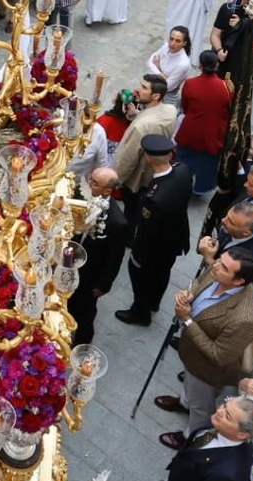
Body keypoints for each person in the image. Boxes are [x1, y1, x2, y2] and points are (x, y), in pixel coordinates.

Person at [155, 250, 253, 449]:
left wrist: (187, 320)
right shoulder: (218, 270)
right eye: (219, 260)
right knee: (188, 386)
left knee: (201, 407)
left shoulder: (244, 318)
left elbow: (218, 355)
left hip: (207, 371)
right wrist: (188, 294)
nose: (215, 265)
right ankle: (183, 402)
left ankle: (190, 436)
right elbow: (200, 281)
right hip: (191, 353)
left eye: (223, 267)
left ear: (238, 281)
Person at [115, 134, 195, 325]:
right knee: (162, 274)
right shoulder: (182, 170)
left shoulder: (154, 199)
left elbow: (146, 234)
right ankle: (154, 303)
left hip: (153, 250)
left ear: (148, 158)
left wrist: (138, 256)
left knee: (140, 278)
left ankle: (140, 313)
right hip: (175, 239)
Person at [69, 166, 129, 346]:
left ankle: (82, 341)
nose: (89, 183)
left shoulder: (117, 222)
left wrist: (103, 285)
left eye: (95, 183)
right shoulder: (82, 194)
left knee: (85, 311)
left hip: (90, 273)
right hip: (71, 259)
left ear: (107, 191)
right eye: (91, 178)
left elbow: (115, 258)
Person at [164, 397, 253, 481]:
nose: (219, 411)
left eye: (227, 416)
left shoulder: (225, 477)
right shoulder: (222, 428)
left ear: (242, 434)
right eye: (225, 405)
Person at [177, 48, 233, 196]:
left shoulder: (190, 83)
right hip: (213, 132)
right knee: (207, 162)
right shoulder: (226, 87)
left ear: (201, 66)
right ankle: (201, 188)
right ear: (217, 65)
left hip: (191, 128)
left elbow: (185, 106)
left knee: (184, 157)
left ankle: (180, 182)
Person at [112, 75, 180, 194]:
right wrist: (136, 114)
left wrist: (116, 182)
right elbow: (154, 121)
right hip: (153, 174)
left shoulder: (140, 127)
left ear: (156, 96)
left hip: (136, 180)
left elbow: (128, 159)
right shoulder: (171, 110)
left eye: (144, 88)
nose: (138, 90)